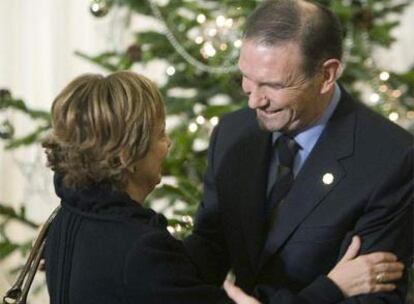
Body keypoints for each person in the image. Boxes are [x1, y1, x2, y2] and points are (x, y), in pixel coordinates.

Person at [184, 0, 413, 303]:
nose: (254, 101)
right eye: (247, 79)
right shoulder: (232, 133)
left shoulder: (390, 159)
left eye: (272, 85)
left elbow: (375, 298)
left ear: (326, 75)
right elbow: (209, 247)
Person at [43, 71, 239, 304]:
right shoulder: (140, 249)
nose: (168, 144)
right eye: (160, 134)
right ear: (126, 156)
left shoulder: (67, 216)